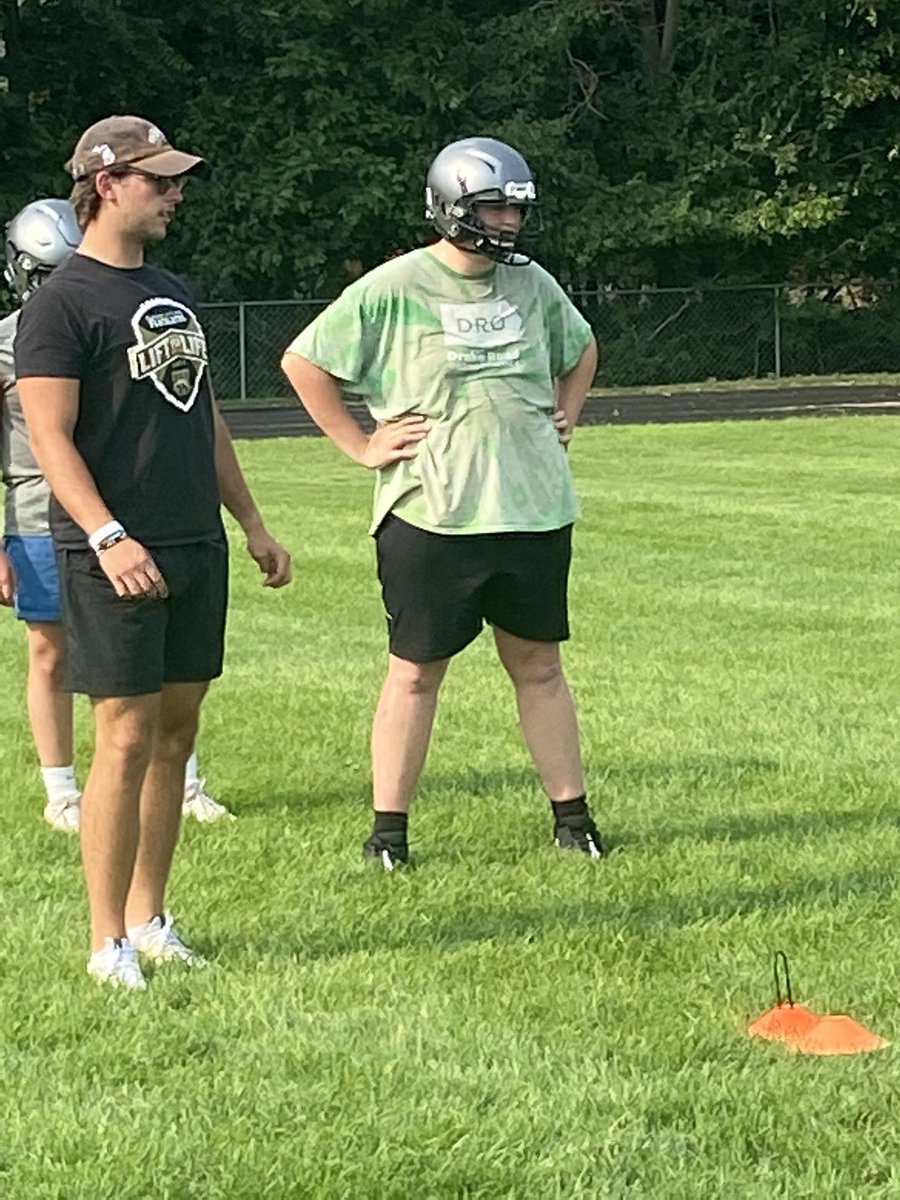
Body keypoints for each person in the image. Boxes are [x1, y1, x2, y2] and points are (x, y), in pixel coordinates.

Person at [14, 115, 292, 990]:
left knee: (177, 734)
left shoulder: (174, 290)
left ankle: (151, 916)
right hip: (111, 551)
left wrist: (249, 521)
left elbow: (200, 415)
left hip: (192, 541)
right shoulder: (60, 306)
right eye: (159, 181)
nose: (174, 194)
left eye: (175, 181)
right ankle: (108, 943)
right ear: (107, 184)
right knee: (124, 737)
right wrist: (107, 534)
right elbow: (52, 440)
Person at [282, 135, 601, 869]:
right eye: (494, 207)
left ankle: (573, 819)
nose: (509, 224)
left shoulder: (532, 284)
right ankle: (388, 834)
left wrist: (568, 410)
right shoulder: (395, 286)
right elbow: (303, 361)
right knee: (416, 670)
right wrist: (361, 444)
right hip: (433, 513)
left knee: (541, 667)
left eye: (515, 209)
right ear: (452, 206)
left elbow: (580, 348)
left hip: (532, 509)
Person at [2, 198, 233, 830]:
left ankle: (181, 783)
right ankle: (62, 788)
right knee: (54, 653)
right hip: (40, 513)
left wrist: (250, 520)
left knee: (163, 686)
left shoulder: (148, 301)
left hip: (141, 516)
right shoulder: (22, 331)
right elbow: (44, 436)